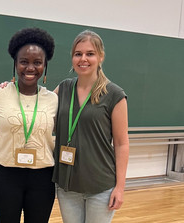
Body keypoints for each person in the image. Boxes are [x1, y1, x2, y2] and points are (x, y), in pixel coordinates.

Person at [0, 27, 58, 223]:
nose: (30, 68)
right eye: (24, 61)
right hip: (7, 176)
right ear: (15, 64)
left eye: (37, 63)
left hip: (43, 178)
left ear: (45, 66)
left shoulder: (53, 100)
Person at [52, 30, 129, 223]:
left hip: (100, 186)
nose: (83, 59)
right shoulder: (63, 89)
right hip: (67, 185)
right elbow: (39, 117)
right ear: (72, 58)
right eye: (78, 54)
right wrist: (11, 90)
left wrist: (119, 188)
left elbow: (121, 144)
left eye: (90, 53)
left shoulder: (114, 94)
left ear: (101, 57)